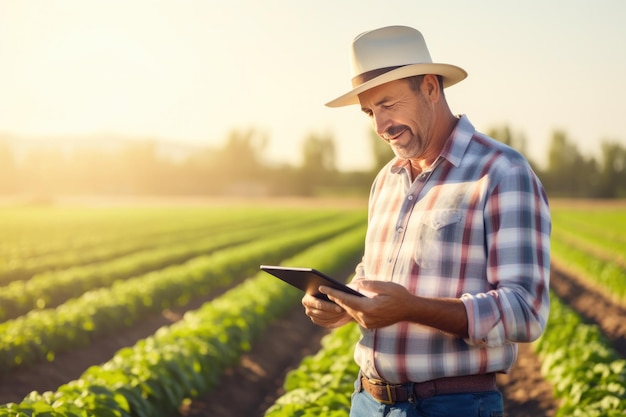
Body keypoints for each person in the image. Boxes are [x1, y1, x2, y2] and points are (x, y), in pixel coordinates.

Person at [302, 25, 551, 417]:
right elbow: (373, 274)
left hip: (453, 405)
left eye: (388, 104)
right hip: (367, 402)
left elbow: (526, 311)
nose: (380, 126)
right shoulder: (386, 180)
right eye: (370, 112)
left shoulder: (501, 171)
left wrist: (410, 308)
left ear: (431, 88)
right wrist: (343, 302)